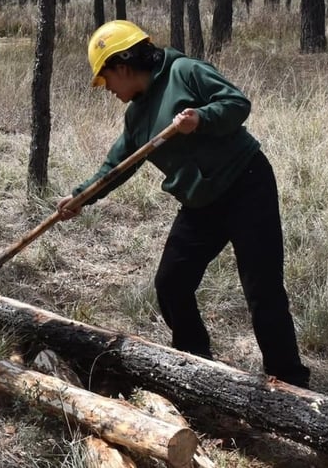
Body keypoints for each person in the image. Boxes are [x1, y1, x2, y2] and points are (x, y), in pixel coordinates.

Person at [55, 19, 310, 388]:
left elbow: (237, 103)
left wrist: (201, 118)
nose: (106, 88)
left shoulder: (185, 72)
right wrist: (82, 196)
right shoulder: (137, 116)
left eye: (105, 78)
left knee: (262, 288)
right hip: (201, 204)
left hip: (246, 186)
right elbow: (117, 165)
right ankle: (197, 368)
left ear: (122, 66)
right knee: (172, 283)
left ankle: (289, 382)